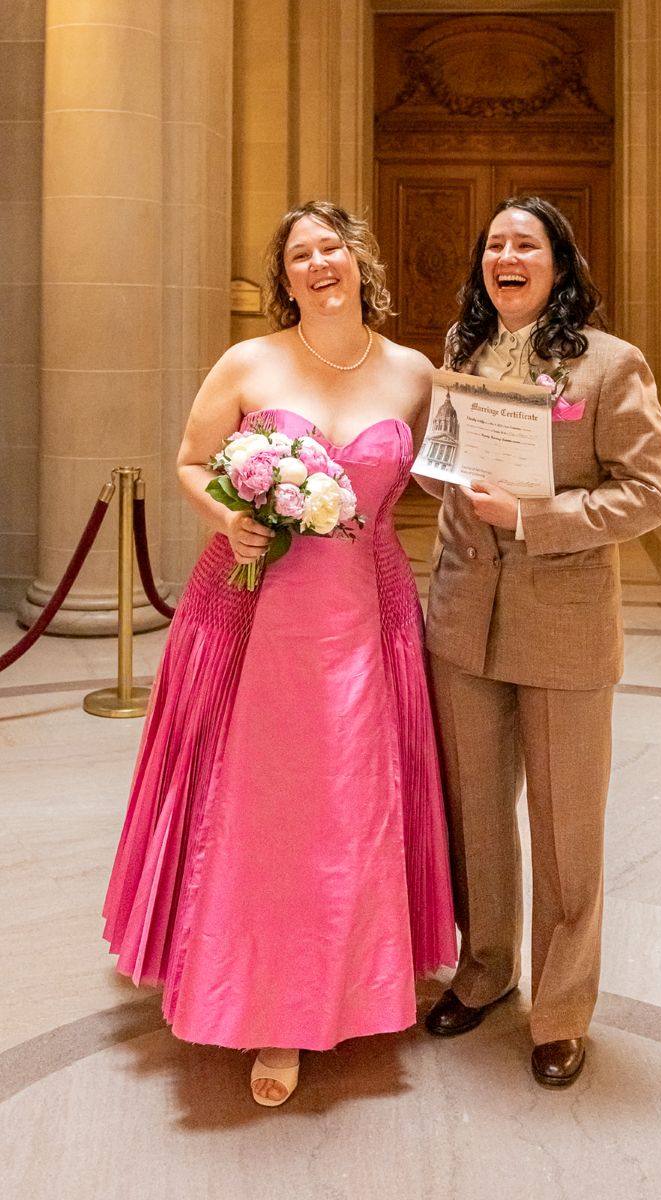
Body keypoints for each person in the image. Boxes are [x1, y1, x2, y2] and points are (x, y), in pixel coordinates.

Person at [103, 200, 456, 1107]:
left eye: (332, 247)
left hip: (363, 613)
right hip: (253, 609)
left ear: (360, 259)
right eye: (301, 255)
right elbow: (189, 459)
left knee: (350, 807)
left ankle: (353, 984)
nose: (319, 263)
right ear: (285, 276)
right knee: (262, 805)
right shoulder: (248, 362)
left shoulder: (416, 372)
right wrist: (230, 517)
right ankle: (264, 1007)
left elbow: (469, 460)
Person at [420, 196, 661, 1087]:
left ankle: (561, 1010)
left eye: (526, 243)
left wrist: (536, 519)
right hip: (461, 624)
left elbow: (648, 493)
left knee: (568, 829)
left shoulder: (611, 366)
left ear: (559, 264)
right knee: (476, 815)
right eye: (494, 243)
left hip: (563, 629)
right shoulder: (461, 352)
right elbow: (451, 476)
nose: (507, 256)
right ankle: (485, 969)